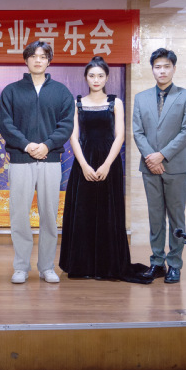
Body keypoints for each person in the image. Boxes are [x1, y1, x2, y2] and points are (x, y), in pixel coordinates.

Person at [59, 57, 151, 283]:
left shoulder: (115, 102)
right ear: (85, 78)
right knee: (83, 213)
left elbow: (120, 136)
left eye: (100, 76)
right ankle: (81, 266)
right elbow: (73, 137)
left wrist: (107, 164)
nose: (96, 80)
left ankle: (107, 266)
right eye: (92, 75)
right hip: (84, 161)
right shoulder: (77, 103)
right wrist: (83, 165)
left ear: (107, 78)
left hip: (109, 161)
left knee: (108, 213)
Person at [0, 41, 75, 284]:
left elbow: (66, 124)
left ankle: (46, 267)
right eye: (33, 56)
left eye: (43, 56)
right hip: (21, 159)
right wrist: (26, 145)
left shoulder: (61, 92)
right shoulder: (11, 91)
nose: (38, 60)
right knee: (19, 215)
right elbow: (5, 124)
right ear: (26, 60)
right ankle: (21, 266)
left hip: (50, 160)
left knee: (49, 215)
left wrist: (47, 145)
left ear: (49, 61)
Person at [132, 48, 186, 284]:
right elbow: (138, 132)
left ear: (174, 69)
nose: (162, 71)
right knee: (155, 216)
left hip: (175, 166)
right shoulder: (141, 98)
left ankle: (175, 264)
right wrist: (151, 157)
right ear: (152, 69)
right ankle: (157, 262)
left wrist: (162, 155)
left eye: (166, 66)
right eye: (157, 67)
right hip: (149, 166)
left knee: (176, 217)